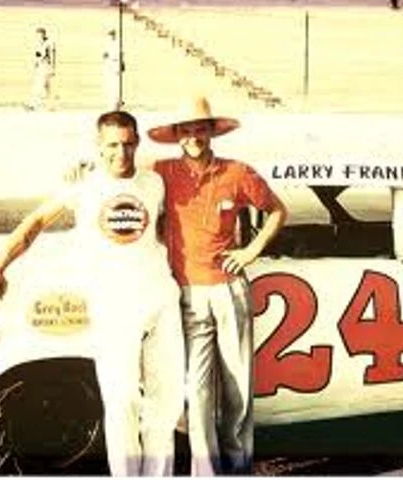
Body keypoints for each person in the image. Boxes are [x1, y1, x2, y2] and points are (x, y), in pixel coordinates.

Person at [0, 110, 185, 476]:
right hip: (114, 306)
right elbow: (36, 222)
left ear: (138, 142)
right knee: (121, 401)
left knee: (164, 404)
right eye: (112, 145)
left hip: (160, 299)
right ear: (98, 146)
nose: (121, 153)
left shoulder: (154, 182)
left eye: (128, 144)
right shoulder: (83, 186)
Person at [146, 96, 287, 475]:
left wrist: (251, 250)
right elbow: (121, 178)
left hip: (230, 290)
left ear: (211, 132)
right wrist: (82, 170)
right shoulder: (161, 172)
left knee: (238, 387)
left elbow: (277, 210)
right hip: (187, 294)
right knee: (196, 390)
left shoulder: (237, 172)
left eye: (200, 129)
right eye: (186, 130)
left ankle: (239, 467)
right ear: (177, 135)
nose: (193, 137)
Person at [30, 27, 56, 110]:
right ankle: (50, 106)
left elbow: (52, 55)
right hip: (41, 66)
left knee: (39, 86)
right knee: (47, 87)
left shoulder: (49, 43)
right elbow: (37, 56)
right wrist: (35, 64)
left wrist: (53, 68)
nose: (38, 37)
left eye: (40, 35)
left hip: (46, 66)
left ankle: (34, 105)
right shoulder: (39, 43)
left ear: (44, 34)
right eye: (37, 35)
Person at [102, 29, 124, 110]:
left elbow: (121, 54)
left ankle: (117, 102)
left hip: (116, 64)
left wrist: (122, 63)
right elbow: (105, 55)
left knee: (116, 84)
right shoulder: (108, 43)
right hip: (110, 65)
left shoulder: (117, 43)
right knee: (111, 84)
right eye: (111, 35)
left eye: (112, 35)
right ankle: (114, 103)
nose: (112, 36)